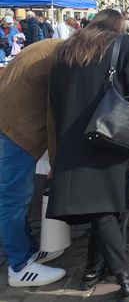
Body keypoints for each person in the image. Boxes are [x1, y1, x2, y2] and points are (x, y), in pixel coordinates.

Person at [47, 9, 129, 299]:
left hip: (74, 138)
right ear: (118, 26)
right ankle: (126, 278)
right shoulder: (124, 44)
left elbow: (54, 98)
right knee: (106, 208)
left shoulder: (66, 49)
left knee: (103, 205)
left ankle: (94, 271)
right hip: (110, 135)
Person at [0, 39, 67, 287]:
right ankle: (19, 267)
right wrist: (55, 159)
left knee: (11, 196)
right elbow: (53, 113)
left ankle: (26, 251)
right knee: (13, 198)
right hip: (16, 128)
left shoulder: (51, 45)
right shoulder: (62, 56)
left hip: (8, 117)